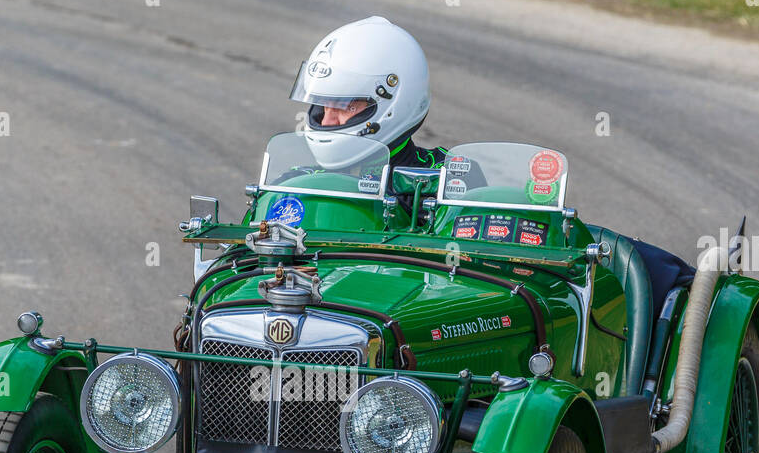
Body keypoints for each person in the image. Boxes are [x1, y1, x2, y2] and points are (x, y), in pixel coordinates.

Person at [289, 16, 694, 314]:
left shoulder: (451, 180)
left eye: (346, 105)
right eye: (322, 106)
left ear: (392, 101)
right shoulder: (295, 185)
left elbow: (470, 294)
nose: (330, 119)